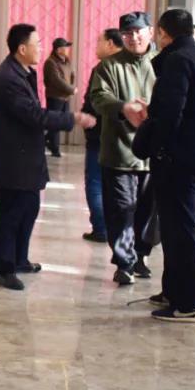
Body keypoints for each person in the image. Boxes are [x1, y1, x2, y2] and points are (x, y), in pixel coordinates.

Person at [129, 9, 195, 323]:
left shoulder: (177, 61)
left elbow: (170, 114)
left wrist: (157, 147)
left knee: (180, 233)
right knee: (176, 229)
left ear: (164, 33)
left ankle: (189, 304)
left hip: (181, 160)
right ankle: (173, 291)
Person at [0, 24, 96, 292]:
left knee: (28, 209)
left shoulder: (23, 72)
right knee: (11, 213)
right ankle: (5, 268)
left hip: (27, 156)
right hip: (14, 159)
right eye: (36, 44)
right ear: (22, 49)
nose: (40, 48)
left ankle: (20, 259)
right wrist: (73, 118)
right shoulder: (8, 79)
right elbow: (33, 115)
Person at [88, 12, 158, 286]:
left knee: (147, 210)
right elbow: (98, 97)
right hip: (119, 152)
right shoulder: (108, 66)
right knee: (120, 210)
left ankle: (141, 255)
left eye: (139, 32)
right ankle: (124, 262)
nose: (134, 37)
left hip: (153, 153)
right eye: (127, 33)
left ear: (150, 32)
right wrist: (123, 108)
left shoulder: (162, 63)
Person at [81, 28, 124, 242]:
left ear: (110, 43)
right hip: (122, 137)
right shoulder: (130, 66)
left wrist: (86, 119)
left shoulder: (103, 68)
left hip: (100, 133)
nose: (96, 45)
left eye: (99, 41)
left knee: (95, 182)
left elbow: (94, 103)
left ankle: (101, 228)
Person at [42, 37, 75, 157]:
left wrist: (71, 88)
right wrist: (71, 89)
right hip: (55, 97)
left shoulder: (67, 61)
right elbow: (56, 80)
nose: (67, 49)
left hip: (65, 97)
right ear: (58, 50)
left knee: (62, 123)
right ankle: (54, 149)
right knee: (54, 123)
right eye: (65, 47)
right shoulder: (50, 62)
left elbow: (72, 75)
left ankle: (45, 140)